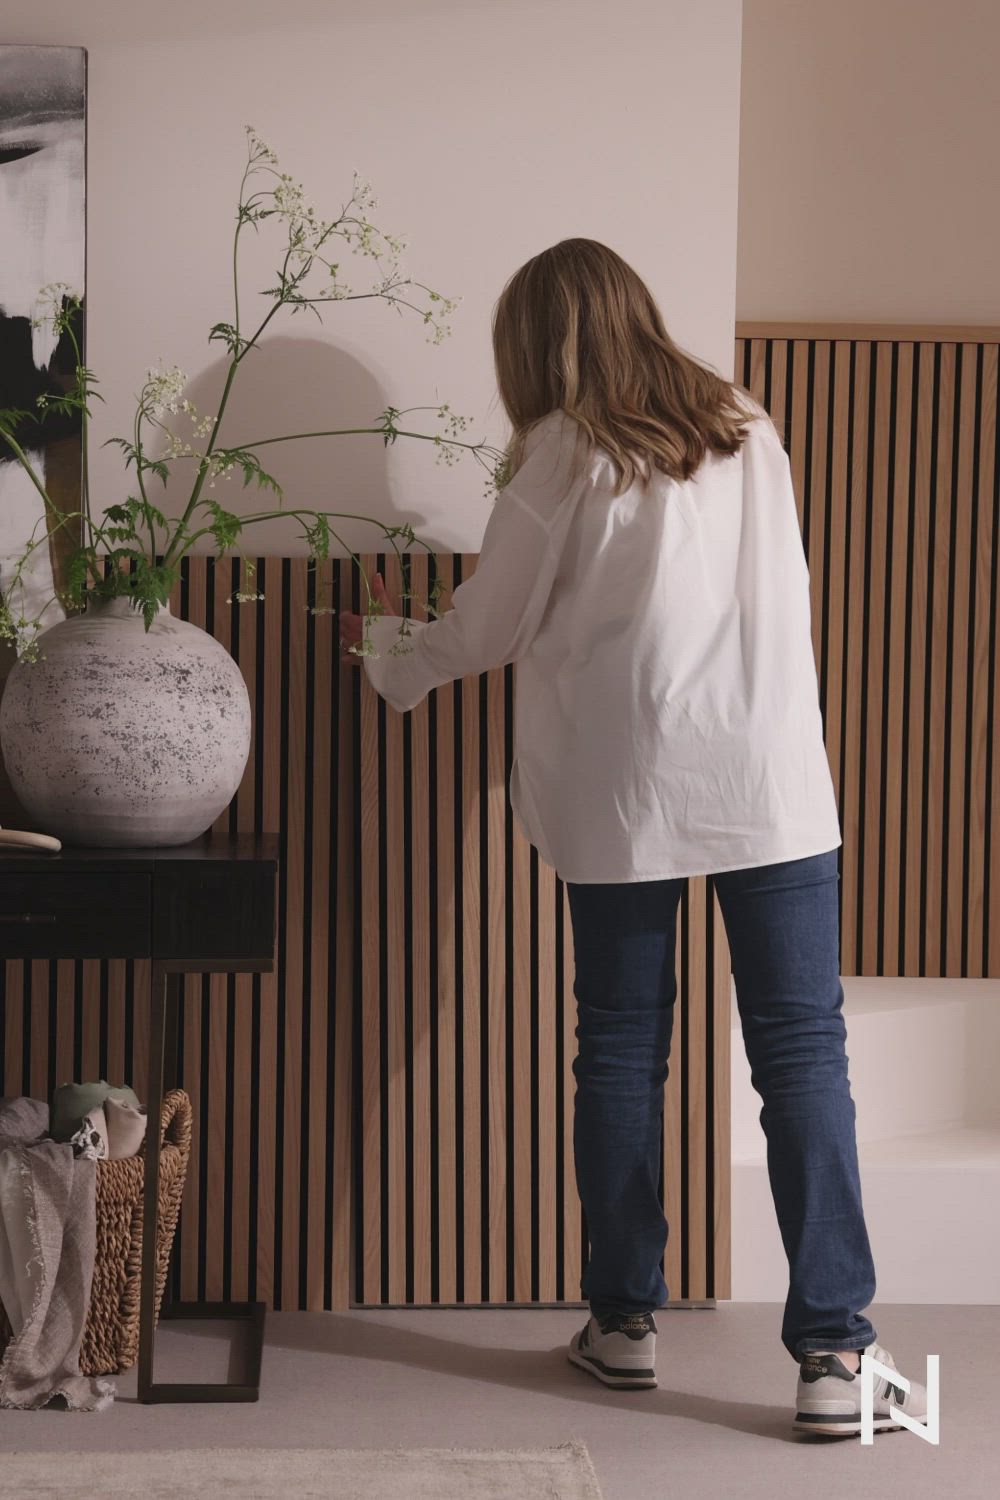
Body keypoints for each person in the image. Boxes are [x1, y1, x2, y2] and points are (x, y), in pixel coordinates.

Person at [337, 238, 927, 1438]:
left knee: (617, 1051)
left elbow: (489, 628)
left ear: (537, 342)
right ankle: (832, 1356)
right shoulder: (747, 425)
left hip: (628, 792)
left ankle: (623, 1325)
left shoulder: (563, 449)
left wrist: (387, 654)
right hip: (769, 779)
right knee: (804, 1057)